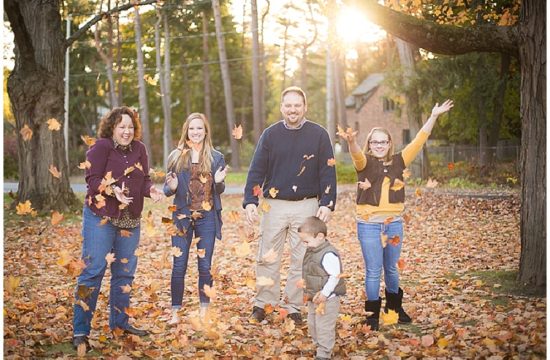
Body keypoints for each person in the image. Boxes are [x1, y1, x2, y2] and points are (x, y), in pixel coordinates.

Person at [339, 100, 453, 331]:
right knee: (373, 271)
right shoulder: (364, 163)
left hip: (394, 225)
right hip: (369, 225)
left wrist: (433, 116)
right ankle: (372, 316)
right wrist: (352, 142)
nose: (379, 145)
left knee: (391, 269)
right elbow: (356, 154)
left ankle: (393, 309)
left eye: (383, 141)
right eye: (375, 142)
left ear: (389, 143)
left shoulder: (400, 160)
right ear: (369, 144)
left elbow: (419, 140)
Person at [244, 86, 337, 325]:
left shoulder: (318, 134)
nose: (293, 109)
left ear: (304, 107)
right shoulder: (270, 134)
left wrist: (327, 203)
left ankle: (293, 307)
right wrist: (250, 201)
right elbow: (257, 170)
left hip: (306, 206)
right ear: (282, 107)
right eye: (288, 105)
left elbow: (328, 170)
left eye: (297, 105)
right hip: (273, 206)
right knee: (267, 257)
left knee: (302, 258)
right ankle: (263, 304)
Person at [72, 106, 163, 351]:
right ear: (112, 127)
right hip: (100, 218)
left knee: (124, 274)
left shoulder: (140, 149)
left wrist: (151, 190)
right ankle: (80, 330)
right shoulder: (101, 147)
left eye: (130, 127)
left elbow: (144, 180)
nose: (126, 131)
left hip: (130, 221)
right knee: (93, 271)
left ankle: (120, 325)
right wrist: (113, 191)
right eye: (122, 126)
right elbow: (91, 181)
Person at [164, 113, 227, 325]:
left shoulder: (216, 157)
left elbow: (220, 189)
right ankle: (175, 311)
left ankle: (204, 311)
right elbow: (168, 187)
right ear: (186, 131)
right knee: (179, 265)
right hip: (182, 217)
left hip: (207, 218)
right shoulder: (176, 155)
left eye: (199, 128)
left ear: (205, 131)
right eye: (192, 129)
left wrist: (218, 181)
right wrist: (171, 187)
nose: (196, 132)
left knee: (205, 266)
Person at [299, 216, 346, 360]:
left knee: (324, 326)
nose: (305, 245)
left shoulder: (328, 254)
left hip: (327, 299)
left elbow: (335, 276)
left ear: (320, 236)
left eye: (306, 241)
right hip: (314, 297)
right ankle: (318, 345)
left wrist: (325, 294)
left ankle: (324, 353)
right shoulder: (313, 250)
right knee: (313, 324)